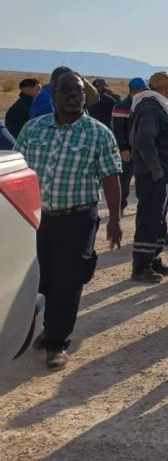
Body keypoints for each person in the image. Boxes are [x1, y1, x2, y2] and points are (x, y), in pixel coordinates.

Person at [15, 72, 122, 371]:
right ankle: (48, 328)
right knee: (42, 279)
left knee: (68, 280)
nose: (75, 97)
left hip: (76, 219)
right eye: (67, 92)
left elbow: (111, 178)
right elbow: (17, 172)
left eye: (79, 92)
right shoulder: (33, 129)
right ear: (53, 96)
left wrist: (115, 219)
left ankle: (57, 342)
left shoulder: (98, 133)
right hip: (34, 220)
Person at [130, 72, 168, 283]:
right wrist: (157, 171)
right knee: (149, 219)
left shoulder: (160, 107)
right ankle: (141, 267)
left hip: (162, 173)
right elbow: (144, 141)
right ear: (167, 88)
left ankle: (153, 259)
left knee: (158, 219)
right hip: (153, 175)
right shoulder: (151, 108)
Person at [112, 78, 148, 214]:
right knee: (124, 182)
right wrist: (124, 149)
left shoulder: (142, 104)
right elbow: (118, 130)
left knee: (142, 181)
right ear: (137, 90)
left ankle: (143, 207)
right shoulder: (122, 106)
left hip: (141, 151)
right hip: (126, 152)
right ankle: (119, 209)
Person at [31, 66, 100, 119]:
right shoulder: (45, 97)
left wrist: (82, 80)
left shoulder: (72, 93)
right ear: (54, 82)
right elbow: (50, 120)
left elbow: (95, 99)